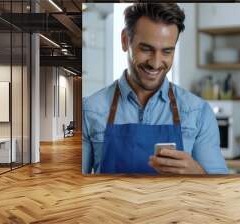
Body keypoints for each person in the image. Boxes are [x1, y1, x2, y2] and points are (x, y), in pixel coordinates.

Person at [82, 3, 228, 174]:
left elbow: (219, 191)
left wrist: (197, 173)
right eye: (146, 49)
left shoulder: (198, 112)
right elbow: (73, 187)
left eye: (167, 51)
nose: (156, 63)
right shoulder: (90, 109)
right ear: (124, 41)